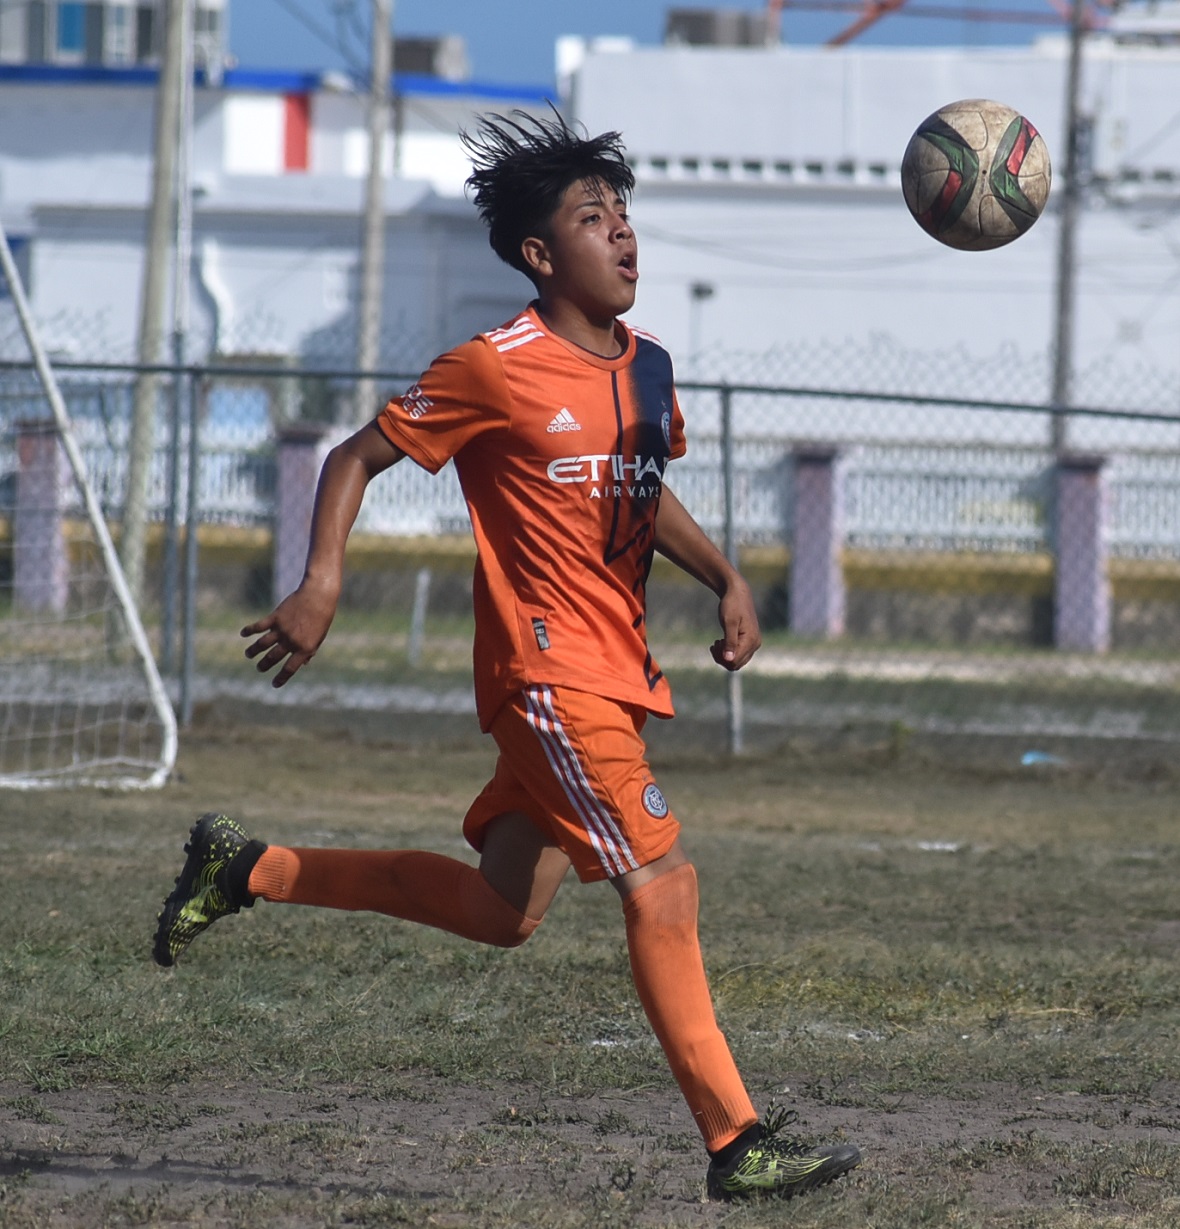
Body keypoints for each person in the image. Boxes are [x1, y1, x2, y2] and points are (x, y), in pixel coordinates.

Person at [152, 111, 861, 1203]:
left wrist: (722, 574)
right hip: (548, 677)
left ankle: (247, 867)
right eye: (592, 218)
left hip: (614, 674)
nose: (621, 233)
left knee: (502, 912)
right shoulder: (495, 366)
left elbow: (640, 489)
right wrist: (321, 582)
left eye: (622, 214)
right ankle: (738, 1140)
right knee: (661, 880)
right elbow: (353, 455)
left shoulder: (650, 367)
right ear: (540, 253)